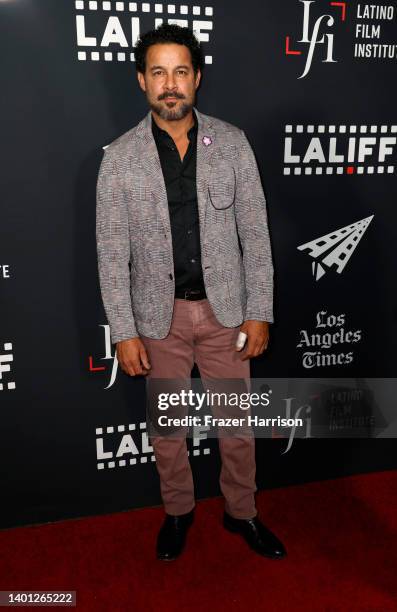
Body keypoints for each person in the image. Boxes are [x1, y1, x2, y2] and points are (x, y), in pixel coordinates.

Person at [96, 23, 286, 561]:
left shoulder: (231, 142)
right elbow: (111, 253)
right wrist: (125, 331)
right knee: (169, 433)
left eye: (181, 71)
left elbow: (255, 233)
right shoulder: (119, 159)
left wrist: (259, 311)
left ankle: (241, 514)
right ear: (141, 81)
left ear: (197, 78)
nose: (170, 83)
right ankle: (178, 513)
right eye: (159, 72)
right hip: (161, 322)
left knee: (238, 428)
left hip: (227, 315)